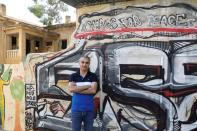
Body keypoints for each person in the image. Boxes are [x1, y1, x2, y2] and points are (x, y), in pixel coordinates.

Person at [69, 56, 98, 131]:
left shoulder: (93, 76)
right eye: (82, 62)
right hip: (76, 110)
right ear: (79, 63)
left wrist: (77, 88)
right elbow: (71, 89)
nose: (84, 64)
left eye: (86, 63)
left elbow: (93, 91)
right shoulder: (73, 76)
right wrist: (88, 85)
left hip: (89, 110)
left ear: (89, 64)